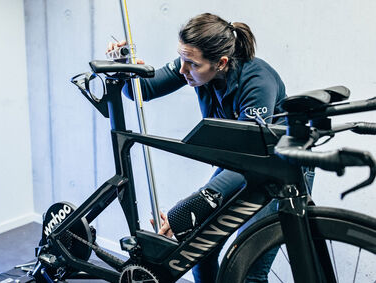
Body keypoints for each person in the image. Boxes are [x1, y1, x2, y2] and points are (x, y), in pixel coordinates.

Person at [107, 12, 315, 283]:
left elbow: (251, 157)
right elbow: (142, 91)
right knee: (198, 251)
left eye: (190, 64)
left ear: (221, 62)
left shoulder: (257, 81)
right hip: (239, 164)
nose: (182, 71)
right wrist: (124, 67)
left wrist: (190, 207)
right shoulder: (198, 67)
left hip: (277, 170)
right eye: (181, 60)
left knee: (248, 267)